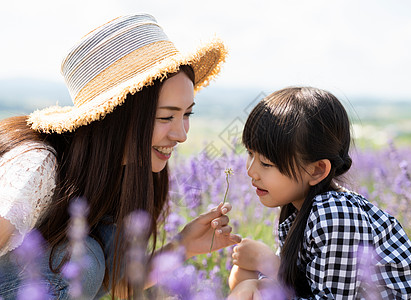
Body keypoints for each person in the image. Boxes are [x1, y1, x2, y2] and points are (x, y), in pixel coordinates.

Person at [0, 13, 241, 299]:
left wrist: (184, 245)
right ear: (117, 117)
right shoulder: (37, 166)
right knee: (82, 258)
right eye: (166, 117)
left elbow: (118, 284)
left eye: (187, 114)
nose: (182, 134)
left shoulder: (124, 175)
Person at [228, 87, 411, 299]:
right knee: (247, 279)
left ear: (318, 169)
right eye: (249, 153)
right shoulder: (300, 211)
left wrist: (272, 265)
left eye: (266, 163)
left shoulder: (336, 215)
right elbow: (301, 285)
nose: (250, 170)